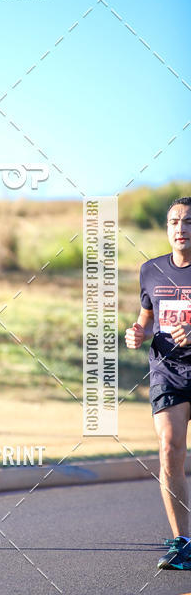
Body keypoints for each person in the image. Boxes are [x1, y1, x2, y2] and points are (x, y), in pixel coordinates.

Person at [125, 196, 191, 569]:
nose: (180, 228)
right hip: (168, 372)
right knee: (169, 449)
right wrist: (138, 332)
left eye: (188, 222)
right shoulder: (151, 270)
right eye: (173, 222)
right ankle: (183, 543)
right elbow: (147, 319)